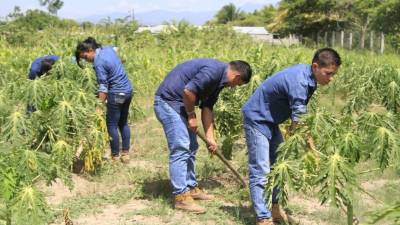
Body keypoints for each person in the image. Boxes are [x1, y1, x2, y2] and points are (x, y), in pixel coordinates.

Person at [241, 48, 341, 225]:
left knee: (279, 166)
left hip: (271, 120)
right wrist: (309, 145)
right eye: (328, 73)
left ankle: (274, 207)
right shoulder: (300, 81)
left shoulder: (309, 75)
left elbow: (299, 117)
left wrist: (302, 138)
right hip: (257, 118)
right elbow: (300, 119)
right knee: (262, 169)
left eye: (333, 74)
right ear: (315, 66)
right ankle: (263, 218)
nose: (331, 78)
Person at [154, 58, 252, 214]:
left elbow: (207, 108)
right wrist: (191, 115)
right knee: (181, 147)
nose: (234, 88)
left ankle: (191, 187)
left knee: (192, 146)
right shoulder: (213, 72)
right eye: (238, 84)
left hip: (181, 105)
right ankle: (181, 197)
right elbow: (188, 91)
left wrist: (210, 137)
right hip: (168, 102)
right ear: (237, 77)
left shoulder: (219, 82)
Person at [75, 37, 133, 163]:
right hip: (128, 91)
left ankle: (115, 156)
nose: (86, 60)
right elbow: (116, 48)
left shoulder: (98, 62)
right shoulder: (107, 50)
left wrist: (99, 105)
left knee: (111, 124)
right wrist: (117, 63)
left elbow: (103, 87)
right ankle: (125, 154)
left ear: (90, 50)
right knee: (123, 122)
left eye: (85, 57)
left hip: (117, 93)